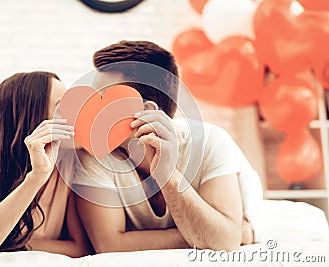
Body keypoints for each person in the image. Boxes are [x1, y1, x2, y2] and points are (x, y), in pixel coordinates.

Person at [73, 41, 263, 253]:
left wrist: (168, 176)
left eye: (104, 100)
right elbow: (109, 245)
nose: (90, 110)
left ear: (144, 111)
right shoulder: (94, 156)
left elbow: (225, 242)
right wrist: (207, 234)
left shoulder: (211, 142)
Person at [0, 72, 92, 264]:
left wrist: (7, 241)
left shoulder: (68, 167)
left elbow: (80, 248)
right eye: (62, 108)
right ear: (31, 119)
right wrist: (35, 178)